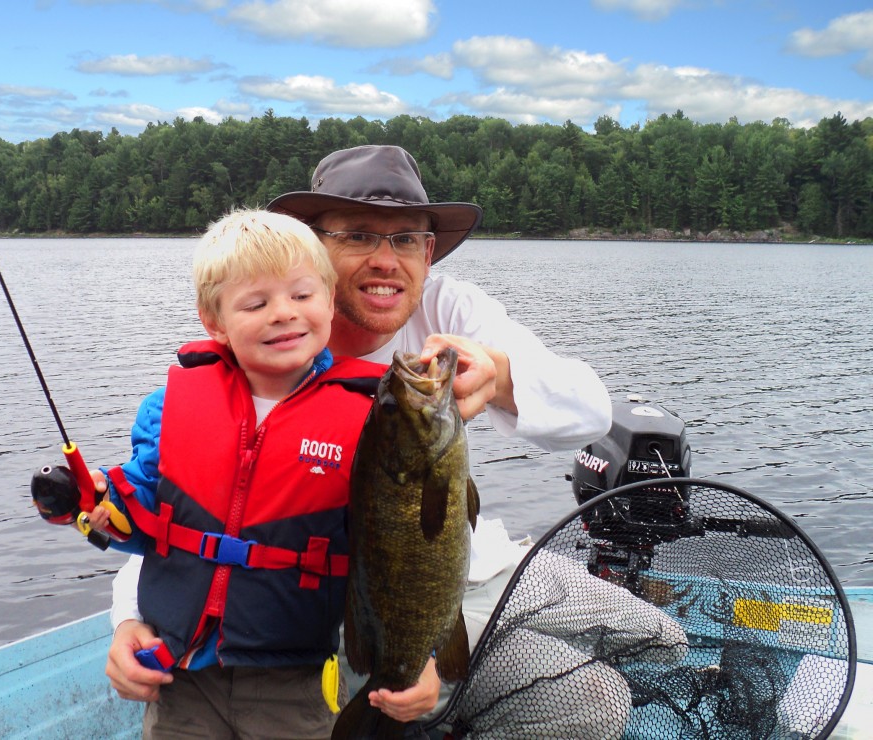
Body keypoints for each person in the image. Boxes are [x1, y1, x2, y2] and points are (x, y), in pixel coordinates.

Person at [106, 146, 682, 736]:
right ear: (315, 248)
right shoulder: (260, 349)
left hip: (467, 558)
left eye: (406, 239)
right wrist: (129, 618)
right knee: (592, 698)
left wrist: (502, 376)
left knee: (667, 637)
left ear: (428, 253)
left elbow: (589, 411)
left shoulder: (445, 307)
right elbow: (195, 511)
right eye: (359, 236)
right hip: (347, 606)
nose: (387, 261)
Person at [87, 208, 388, 738]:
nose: (283, 314)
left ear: (329, 299)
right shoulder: (170, 409)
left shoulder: (371, 419)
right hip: (182, 678)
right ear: (214, 321)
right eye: (256, 303)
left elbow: (400, 555)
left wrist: (416, 655)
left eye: (301, 295)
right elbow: (143, 516)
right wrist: (98, 505)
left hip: (294, 681)